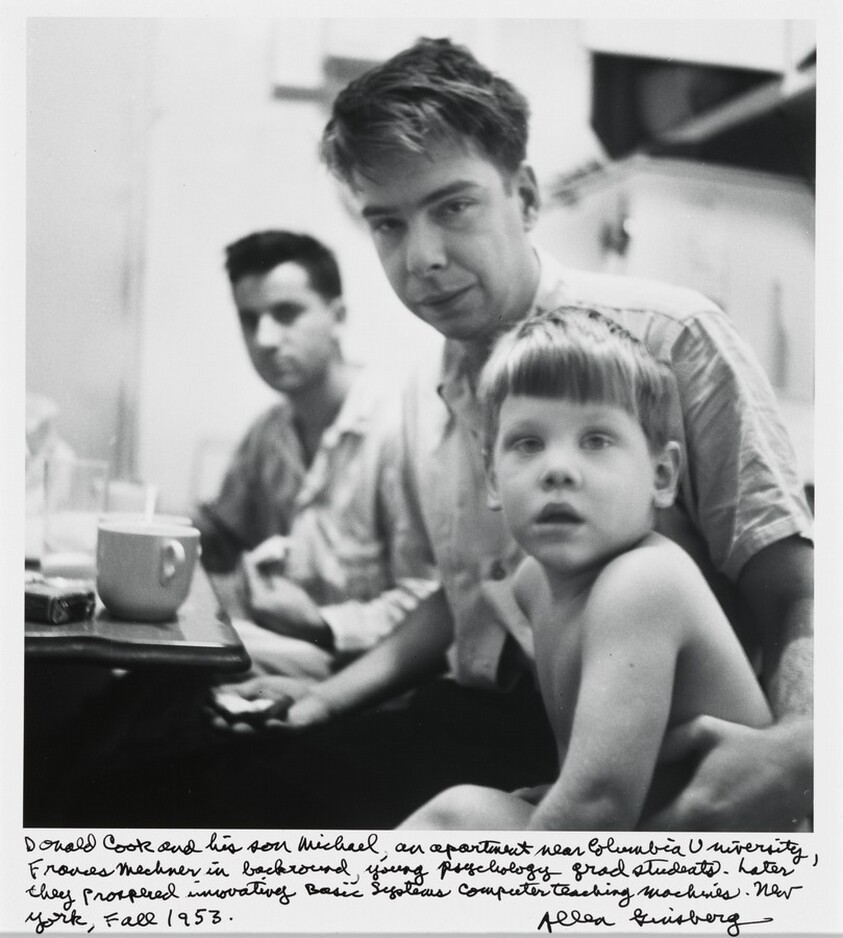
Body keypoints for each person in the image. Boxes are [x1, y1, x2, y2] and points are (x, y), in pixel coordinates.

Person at [212, 37, 812, 833]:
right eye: (387, 224)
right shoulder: (438, 387)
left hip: (648, 752)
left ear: (523, 197)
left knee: (249, 800)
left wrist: (799, 753)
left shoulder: (670, 336)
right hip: (502, 720)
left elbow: (799, 588)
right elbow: (465, 598)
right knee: (210, 755)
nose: (421, 258)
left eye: (453, 207)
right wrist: (325, 698)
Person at [397, 309, 773, 829]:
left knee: (458, 816)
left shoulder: (643, 582)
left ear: (662, 476)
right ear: (492, 478)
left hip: (746, 862)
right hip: (642, 837)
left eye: (596, 440)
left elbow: (598, 806)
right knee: (462, 812)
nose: (557, 469)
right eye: (528, 443)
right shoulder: (533, 584)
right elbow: (595, 776)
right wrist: (562, 794)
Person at [195, 230, 437, 676]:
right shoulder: (269, 432)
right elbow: (218, 537)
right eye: (249, 320)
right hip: (284, 659)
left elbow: (435, 601)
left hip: (377, 678)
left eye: (286, 313)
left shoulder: (398, 428)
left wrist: (322, 624)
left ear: (338, 316)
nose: (265, 338)